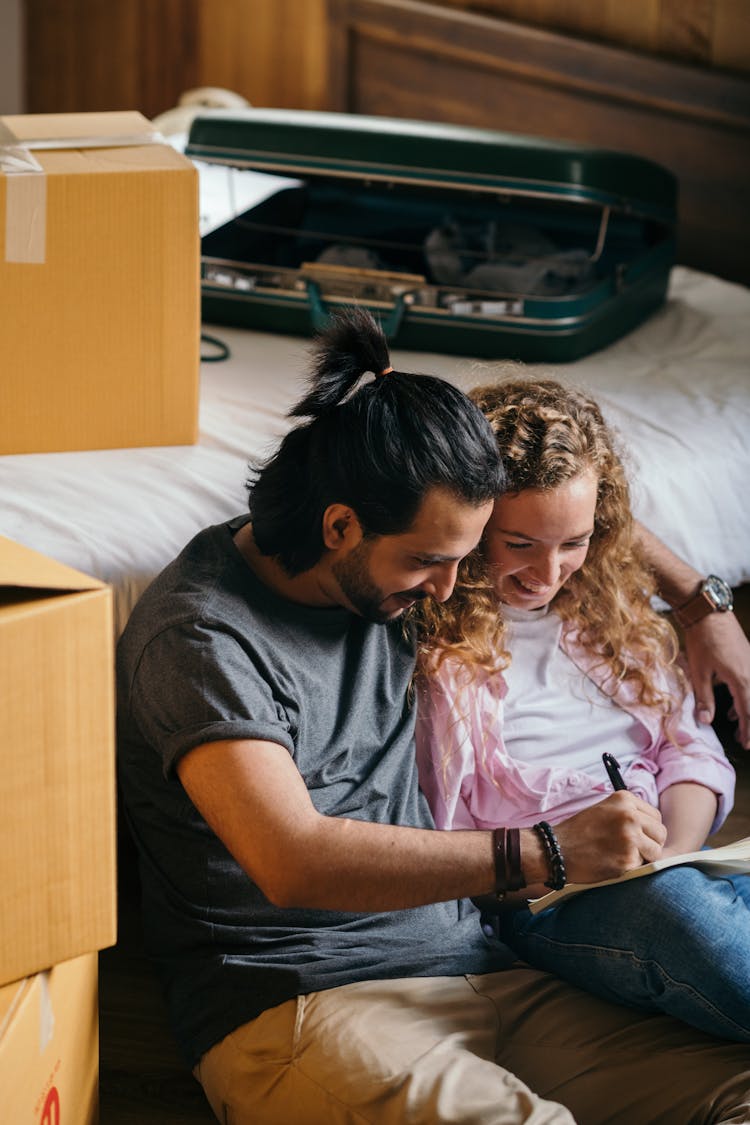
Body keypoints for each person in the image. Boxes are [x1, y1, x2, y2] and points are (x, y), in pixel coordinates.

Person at [117, 309, 750, 1125]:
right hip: (307, 1000)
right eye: (432, 561)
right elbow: (293, 858)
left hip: (483, 964)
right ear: (339, 524)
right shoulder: (201, 635)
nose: (454, 590)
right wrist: (548, 849)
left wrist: (704, 604)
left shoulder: (390, 555)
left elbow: (571, 503)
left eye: (466, 556)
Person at [415, 376, 750, 1044]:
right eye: (519, 543)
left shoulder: (612, 612)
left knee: (685, 900)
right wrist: (581, 860)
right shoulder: (433, 647)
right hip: (550, 898)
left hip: (678, 862)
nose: (550, 571)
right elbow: (444, 838)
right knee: (686, 924)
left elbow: (688, 749)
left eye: (575, 541)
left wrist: (672, 853)